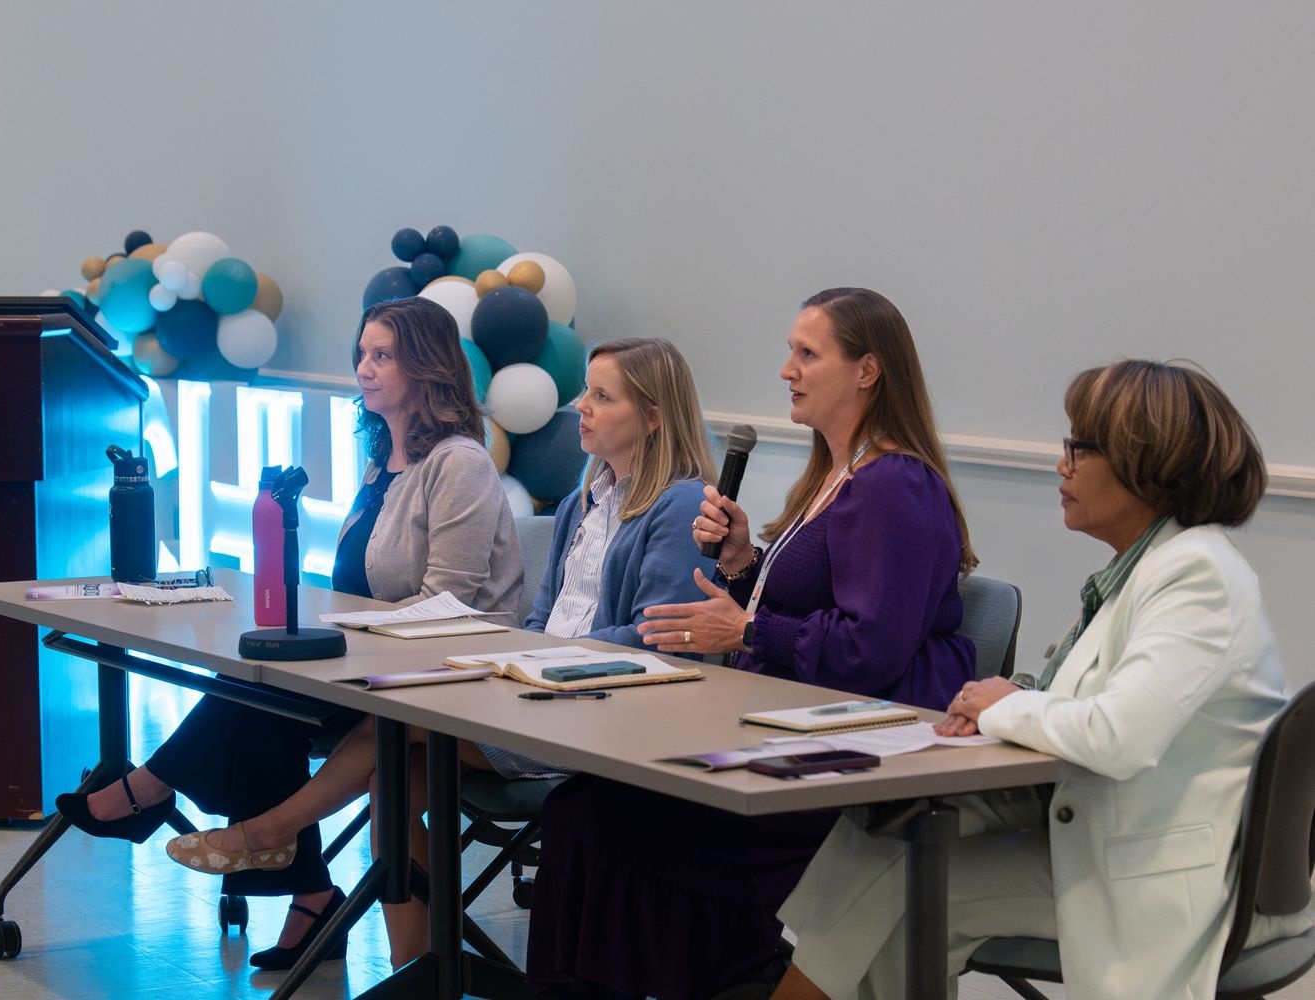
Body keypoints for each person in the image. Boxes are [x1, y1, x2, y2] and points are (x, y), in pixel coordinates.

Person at [166, 336, 721, 969]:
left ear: (653, 414)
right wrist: (528, 654)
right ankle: (419, 972)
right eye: (585, 391)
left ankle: (270, 833)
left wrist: (546, 658)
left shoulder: (681, 505)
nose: (581, 407)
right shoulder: (582, 500)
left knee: (395, 723)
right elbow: (541, 613)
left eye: (601, 396)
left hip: (596, 711)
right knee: (392, 787)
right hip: (536, 690)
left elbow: (663, 637)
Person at [770, 360, 1310, 1000]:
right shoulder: (1147, 569)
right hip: (1105, 834)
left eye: (1079, 448)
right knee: (871, 843)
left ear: (1148, 465)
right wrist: (1015, 700)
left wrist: (1002, 706)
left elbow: (1116, 735)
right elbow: (1098, 702)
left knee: (903, 883)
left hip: (1155, 876)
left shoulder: (1199, 576)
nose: (1061, 465)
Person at [525, 288, 978, 1000]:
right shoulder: (836, 476)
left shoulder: (893, 485)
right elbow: (818, 602)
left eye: (807, 354)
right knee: (585, 810)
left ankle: (732, 975)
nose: (786, 371)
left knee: (601, 822)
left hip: (855, 757)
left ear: (867, 371)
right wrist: (743, 564)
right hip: (782, 721)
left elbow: (871, 649)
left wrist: (748, 628)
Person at [55, 295, 522, 970]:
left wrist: (346, 629)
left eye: (383, 355)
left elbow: (445, 605)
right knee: (255, 688)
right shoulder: (380, 463)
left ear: (427, 366)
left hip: (450, 674)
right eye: (361, 353)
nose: (363, 368)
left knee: (255, 694)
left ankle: (182, 803)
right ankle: (309, 891)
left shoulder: (459, 464)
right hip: (378, 664)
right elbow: (362, 586)